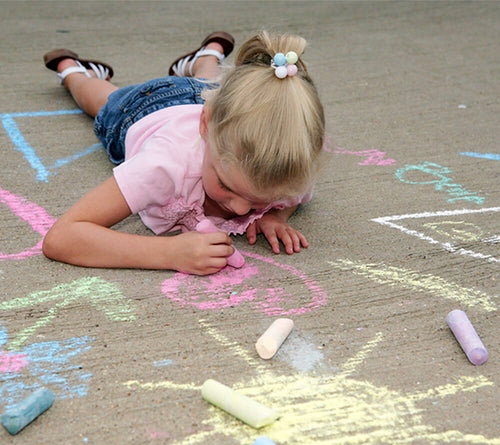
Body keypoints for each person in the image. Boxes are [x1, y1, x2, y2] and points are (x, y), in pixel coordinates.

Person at [41, 30, 325, 275]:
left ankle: (206, 57)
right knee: (104, 100)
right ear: (205, 125)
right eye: (227, 186)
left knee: (209, 86)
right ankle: (74, 73)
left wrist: (277, 216)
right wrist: (168, 253)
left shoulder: (284, 158)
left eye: (261, 199)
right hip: (144, 108)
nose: (240, 210)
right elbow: (63, 237)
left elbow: (296, 192)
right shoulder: (164, 165)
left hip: (209, 96)